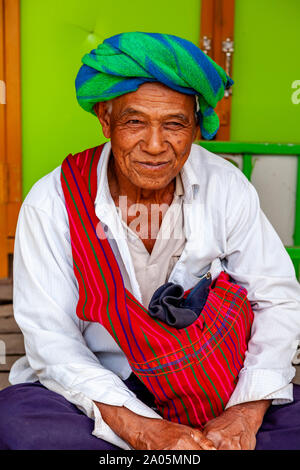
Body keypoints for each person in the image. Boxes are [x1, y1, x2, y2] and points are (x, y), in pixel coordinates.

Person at [0, 32, 299, 451]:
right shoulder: (52, 202)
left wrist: (244, 414)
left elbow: (276, 299)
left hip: (213, 385)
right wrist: (141, 428)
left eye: (174, 124)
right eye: (134, 122)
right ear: (106, 120)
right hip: (98, 391)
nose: (156, 146)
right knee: (24, 427)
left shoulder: (226, 186)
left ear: (196, 127)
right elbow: (53, 341)